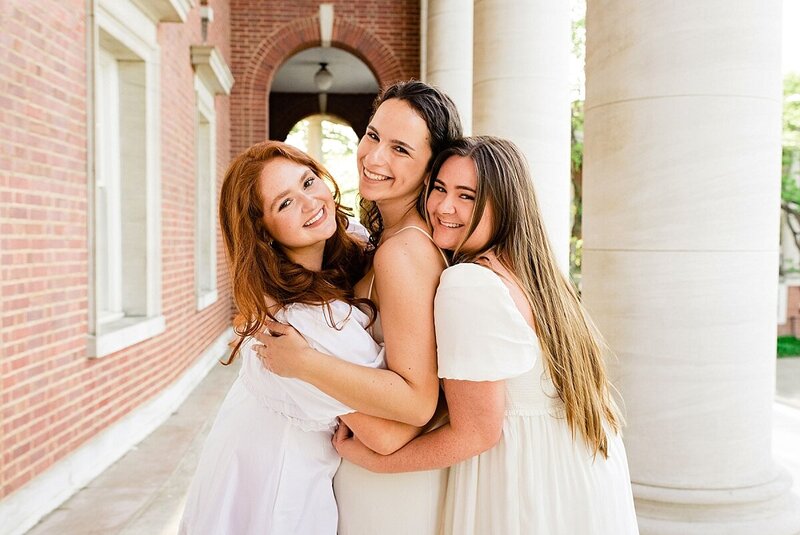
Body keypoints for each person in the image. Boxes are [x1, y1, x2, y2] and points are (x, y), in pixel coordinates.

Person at [333, 136, 640, 534]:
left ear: (506, 204)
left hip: (521, 485)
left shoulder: (468, 284)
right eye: (440, 189)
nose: (445, 207)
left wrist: (375, 461)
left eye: (468, 196)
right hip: (580, 477)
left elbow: (475, 433)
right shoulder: (539, 277)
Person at [254, 80, 463, 534]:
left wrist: (304, 363)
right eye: (373, 136)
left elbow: (417, 399)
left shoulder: (402, 252)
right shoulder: (378, 243)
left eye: (401, 149)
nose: (374, 157)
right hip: (368, 469)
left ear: (433, 168)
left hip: (386, 485)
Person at [179, 141, 399, 534]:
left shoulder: (339, 243)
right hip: (273, 489)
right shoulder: (305, 325)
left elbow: (353, 231)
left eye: (309, 181)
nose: (310, 202)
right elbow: (385, 434)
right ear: (261, 232)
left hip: (241, 454)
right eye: (284, 203)